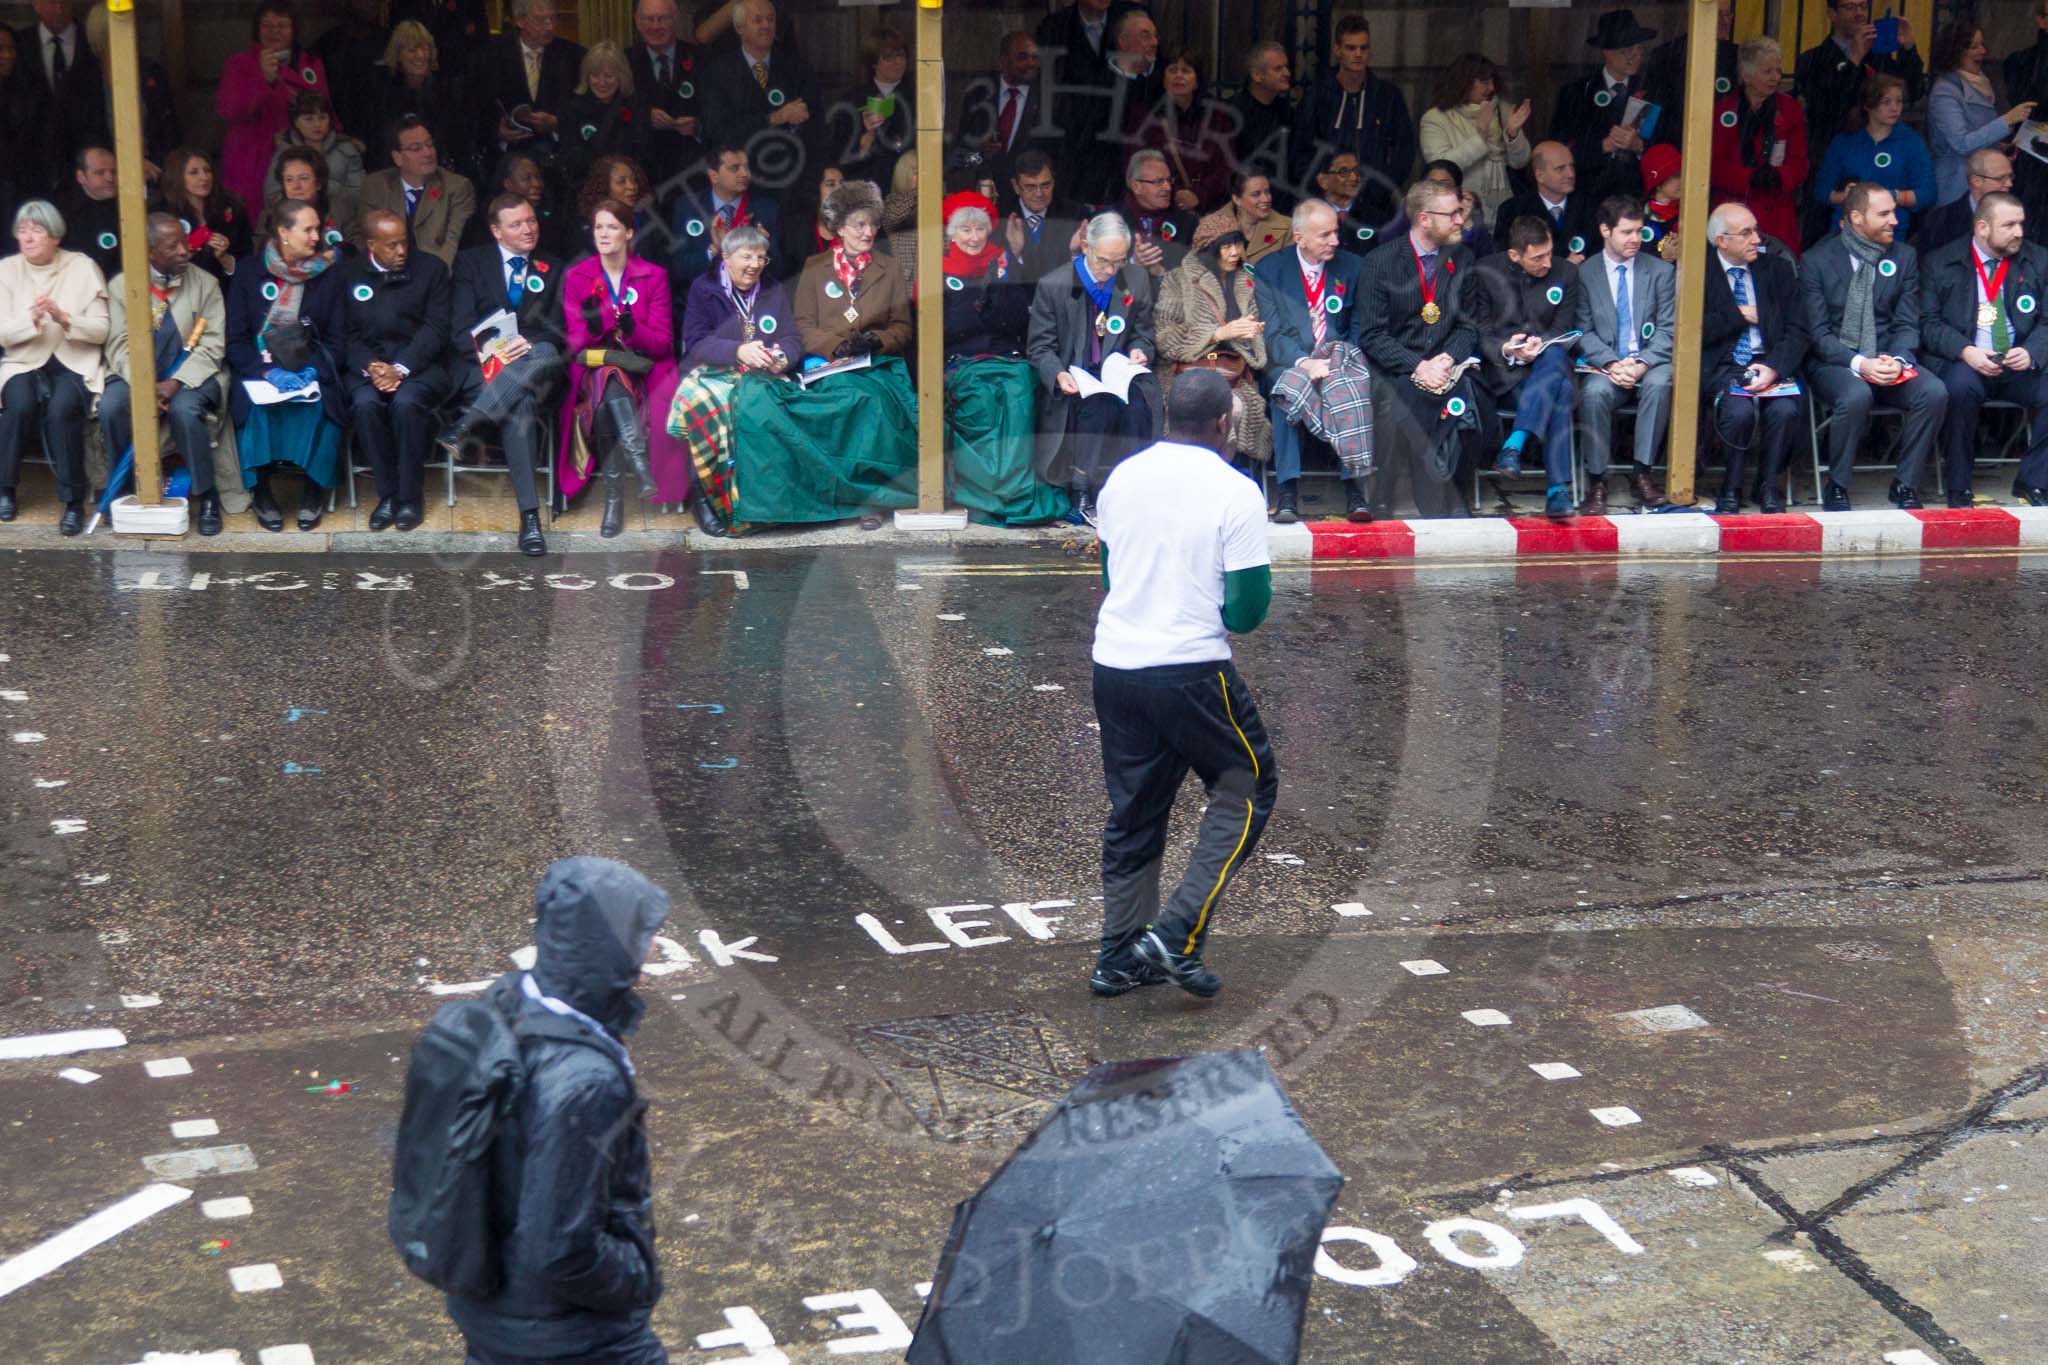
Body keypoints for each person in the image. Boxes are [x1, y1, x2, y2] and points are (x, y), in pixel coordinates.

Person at [1091, 367, 1276, 1002]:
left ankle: (1117, 957)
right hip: (1190, 669)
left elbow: (1114, 573)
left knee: (1137, 811)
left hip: (1115, 664)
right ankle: (1176, 932)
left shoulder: (1124, 477)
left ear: (1170, 417)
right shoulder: (1237, 491)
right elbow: (1246, 613)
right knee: (1248, 788)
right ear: (1226, 424)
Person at [440, 856, 670, 1365]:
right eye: (643, 932)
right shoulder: (586, 1082)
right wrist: (636, 1276)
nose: (655, 945)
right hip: (571, 1338)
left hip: (495, 1310)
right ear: (612, 947)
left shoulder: (505, 1005)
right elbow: (561, 1248)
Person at [741, 180, 916, 528]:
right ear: (838, 229)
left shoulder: (889, 267)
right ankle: (831, 496)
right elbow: (802, 324)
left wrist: (874, 342)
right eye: (859, 225)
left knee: (868, 401)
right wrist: (838, 347)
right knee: (836, 400)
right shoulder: (815, 265)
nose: (868, 232)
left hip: (874, 365)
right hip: (827, 363)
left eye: (873, 224)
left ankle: (870, 498)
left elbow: (903, 328)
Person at [1802, 183, 1945, 511]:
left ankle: (1905, 483)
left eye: (1894, 212)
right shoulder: (1816, 260)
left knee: (1934, 391)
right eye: (1884, 214)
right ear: (1856, 218)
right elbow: (1818, 335)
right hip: (1835, 362)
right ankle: (1837, 484)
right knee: (1856, 394)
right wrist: (1860, 364)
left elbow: (1908, 324)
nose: (1895, 220)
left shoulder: (1905, 256)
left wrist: (1897, 359)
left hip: (1887, 357)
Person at [444, 193, 569, 555]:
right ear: (497, 231)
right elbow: (458, 331)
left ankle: (464, 426)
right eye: (517, 224)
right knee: (521, 405)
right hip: (482, 369)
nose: (528, 229)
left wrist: (525, 344)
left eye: (531, 220)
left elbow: (559, 330)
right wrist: (499, 351)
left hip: (536, 363)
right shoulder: (471, 263)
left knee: (545, 350)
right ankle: (530, 519)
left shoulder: (553, 266)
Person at [1356, 177, 1480, 519]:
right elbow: (1372, 334)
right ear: (1424, 218)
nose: (1460, 219)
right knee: (1402, 400)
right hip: (1396, 365)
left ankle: (1455, 493)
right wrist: (1417, 365)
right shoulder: (1381, 261)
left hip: (1447, 364)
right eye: (1452, 213)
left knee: (1470, 405)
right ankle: (1383, 497)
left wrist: (1446, 359)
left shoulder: (1463, 259)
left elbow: (1470, 325)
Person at [940, 191, 1064, 527]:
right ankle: (984, 491)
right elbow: (947, 329)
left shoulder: (1005, 263)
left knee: (1020, 393)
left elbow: (1023, 321)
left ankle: (1016, 490)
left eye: (980, 229)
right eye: (965, 230)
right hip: (962, 363)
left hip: (1008, 360)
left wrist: (999, 289)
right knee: (981, 401)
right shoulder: (937, 270)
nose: (974, 237)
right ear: (951, 233)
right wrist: (982, 308)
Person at [560, 198, 683, 537]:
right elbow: (576, 343)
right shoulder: (577, 276)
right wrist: (601, 324)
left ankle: (615, 501)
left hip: (644, 367)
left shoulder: (654, 275)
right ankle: (638, 468)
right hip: (596, 369)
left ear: (629, 232)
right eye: (598, 226)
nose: (603, 233)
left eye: (612, 227)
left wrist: (632, 331)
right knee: (608, 378)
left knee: (607, 397)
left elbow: (662, 342)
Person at [101, 213, 231, 535]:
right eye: (173, 246)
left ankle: (207, 495)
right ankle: (123, 488)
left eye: (185, 242)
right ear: (150, 252)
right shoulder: (122, 287)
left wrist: (175, 383)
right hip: (136, 376)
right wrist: (145, 386)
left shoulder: (206, 284)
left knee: (185, 410)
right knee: (111, 406)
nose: (185, 251)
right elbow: (118, 344)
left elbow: (213, 344)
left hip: (191, 375)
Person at [223, 199, 347, 532]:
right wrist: (267, 372)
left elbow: (337, 340)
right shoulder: (250, 272)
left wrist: (312, 371)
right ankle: (261, 491)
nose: (316, 236)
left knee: (321, 403)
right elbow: (235, 341)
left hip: (311, 369)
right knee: (255, 408)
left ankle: (312, 489)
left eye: (317, 228)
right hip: (260, 370)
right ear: (283, 232)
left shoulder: (328, 275)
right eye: (308, 229)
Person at [1919, 192, 2048, 505]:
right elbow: (1927, 323)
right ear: (1982, 228)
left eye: (2021, 223)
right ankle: (1958, 487)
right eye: (2009, 225)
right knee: (1960, 389)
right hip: (1966, 360)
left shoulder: (2039, 260)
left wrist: (2031, 351)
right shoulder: (1940, 262)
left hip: (2017, 360)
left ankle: (2034, 481)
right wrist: (1965, 351)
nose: (2019, 232)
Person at [1027, 210, 1157, 520]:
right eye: (1104, 261)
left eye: (1120, 261)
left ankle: (1130, 489)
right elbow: (1040, 346)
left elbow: (1144, 335)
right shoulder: (1054, 284)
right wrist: (1057, 373)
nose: (1111, 270)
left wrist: (1140, 350)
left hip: (1118, 373)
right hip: (1075, 376)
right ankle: (1082, 488)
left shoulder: (1135, 280)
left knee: (1138, 407)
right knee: (1097, 407)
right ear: (1086, 247)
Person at [669, 222, 791, 534]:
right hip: (711, 371)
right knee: (708, 406)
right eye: (747, 257)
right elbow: (695, 342)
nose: (755, 265)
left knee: (775, 408)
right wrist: (738, 350)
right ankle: (704, 500)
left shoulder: (774, 289)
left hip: (761, 374)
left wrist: (783, 356)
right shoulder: (704, 287)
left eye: (762, 258)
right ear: (726, 257)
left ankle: (764, 503)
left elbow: (791, 337)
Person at [1253, 198, 1366, 520]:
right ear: (1299, 238)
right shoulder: (1269, 270)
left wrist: (1340, 360)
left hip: (1339, 360)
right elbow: (1271, 335)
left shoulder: (1352, 267)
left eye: (1336, 232)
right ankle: (1288, 490)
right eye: (1325, 235)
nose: (1335, 241)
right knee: (1286, 390)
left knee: (1351, 386)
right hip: (1291, 363)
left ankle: (1355, 489)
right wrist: (1306, 363)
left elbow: (1358, 326)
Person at [0, 199, 106, 533]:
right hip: (24, 359)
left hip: (73, 359)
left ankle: (73, 501)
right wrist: (28, 321)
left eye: (37, 230)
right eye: (22, 230)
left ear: (56, 236)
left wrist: (64, 317)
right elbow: (2, 333)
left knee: (62, 410)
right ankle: (5, 490)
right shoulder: (7, 270)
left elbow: (102, 330)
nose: (28, 237)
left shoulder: (82, 266)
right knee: (18, 405)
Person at [340, 208, 449, 533]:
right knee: (365, 404)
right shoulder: (347, 275)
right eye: (391, 246)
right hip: (367, 368)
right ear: (372, 245)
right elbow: (344, 334)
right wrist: (371, 366)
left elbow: (437, 328)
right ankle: (387, 495)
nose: (401, 251)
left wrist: (400, 368)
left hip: (420, 366)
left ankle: (410, 496)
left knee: (406, 404)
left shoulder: (431, 269)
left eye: (404, 243)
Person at [1699, 202, 1809, 514]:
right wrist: (1737, 316)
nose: (1757, 239)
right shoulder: (1700, 272)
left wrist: (1773, 367)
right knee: (1740, 412)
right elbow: (1692, 330)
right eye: (1746, 233)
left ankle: (1767, 485)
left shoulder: (1776, 269)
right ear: (1722, 240)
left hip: (1769, 361)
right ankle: (1731, 486)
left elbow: (1799, 329)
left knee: (1786, 410)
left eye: (1756, 230)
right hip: (1724, 365)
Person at [1471, 215, 1581, 518]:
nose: (1547, 262)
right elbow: (1479, 331)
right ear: (1514, 255)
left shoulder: (1566, 272)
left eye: (1549, 252)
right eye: (1538, 257)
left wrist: (1538, 345)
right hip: (1507, 376)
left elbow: (1563, 328)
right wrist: (1508, 348)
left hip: (1548, 363)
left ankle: (1514, 444)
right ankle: (1557, 491)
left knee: (1556, 355)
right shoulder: (1486, 271)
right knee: (1557, 391)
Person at [1573, 194, 1674, 514]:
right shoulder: (1585, 273)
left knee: (1661, 384)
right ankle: (1597, 480)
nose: (1635, 239)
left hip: (1650, 359)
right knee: (1594, 393)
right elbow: (1582, 331)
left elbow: (1669, 328)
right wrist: (1613, 363)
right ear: (1605, 231)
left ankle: (1642, 474)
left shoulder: (1660, 271)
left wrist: (1642, 364)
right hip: (1607, 364)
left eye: (1639, 232)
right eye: (1626, 232)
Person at [1157, 229, 1268, 472]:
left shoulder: (1245, 282)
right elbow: (1165, 338)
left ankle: (1213, 474)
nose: (1235, 252)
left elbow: (1258, 353)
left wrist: (1250, 333)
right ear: (1208, 248)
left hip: (1233, 377)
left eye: (1238, 244)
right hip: (1184, 376)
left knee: (1235, 408)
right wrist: (1218, 334)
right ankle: (1206, 476)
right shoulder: (1178, 280)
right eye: (1226, 246)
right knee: (1200, 409)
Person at [1289, 15, 1413, 232]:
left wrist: (1382, 187)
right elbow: (1300, 148)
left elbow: (1405, 147)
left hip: (1375, 205)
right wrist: (1320, 186)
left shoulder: (1387, 96)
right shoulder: (1318, 95)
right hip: (1324, 205)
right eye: (1350, 48)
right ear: (1337, 49)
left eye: (1363, 48)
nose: (1358, 54)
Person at [216, 3, 329, 211]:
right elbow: (229, 110)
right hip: (252, 158)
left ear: (294, 29)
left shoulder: (310, 63)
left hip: (298, 155)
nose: (275, 31)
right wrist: (264, 80)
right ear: (257, 30)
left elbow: (324, 109)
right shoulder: (239, 64)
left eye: (282, 25)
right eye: (267, 25)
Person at [1710, 37, 1808, 258]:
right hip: (1733, 208)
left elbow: (1800, 163)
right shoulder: (1723, 110)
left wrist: (1779, 177)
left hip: (1777, 211)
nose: (1775, 77)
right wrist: (1749, 178)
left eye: (1778, 70)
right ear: (1746, 75)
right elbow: (1713, 166)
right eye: (1767, 71)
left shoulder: (1790, 109)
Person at [1550, 9, 1658, 207]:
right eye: (1627, 51)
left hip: (1636, 195)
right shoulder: (1577, 92)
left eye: (1639, 49)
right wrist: (1603, 146)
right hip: (1587, 195)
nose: (1634, 57)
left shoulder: (1651, 92)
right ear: (1606, 52)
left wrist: (1639, 146)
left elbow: (1665, 144)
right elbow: (1559, 149)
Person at [1927, 20, 2038, 211]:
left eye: (1983, 44)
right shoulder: (1945, 91)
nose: (1982, 51)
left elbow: (1979, 135)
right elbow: (1961, 143)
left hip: (1981, 184)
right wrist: (2006, 120)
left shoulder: (1980, 82)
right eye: (1974, 46)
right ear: (1956, 52)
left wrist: (2002, 147)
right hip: (1956, 184)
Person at [698, 0, 819, 175]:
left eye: (770, 20)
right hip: (739, 174)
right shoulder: (717, 74)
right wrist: (774, 118)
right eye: (757, 20)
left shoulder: (798, 69)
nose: (766, 26)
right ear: (739, 28)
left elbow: (815, 126)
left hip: (789, 173)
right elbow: (718, 131)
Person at [466, 0, 585, 172]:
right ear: (520, 21)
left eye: (553, 18)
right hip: (505, 158)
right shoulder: (489, 56)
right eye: (541, 20)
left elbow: (582, 107)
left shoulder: (574, 56)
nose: (550, 26)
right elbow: (472, 106)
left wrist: (557, 123)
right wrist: (495, 131)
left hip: (558, 158)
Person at [1813, 75, 1935, 239]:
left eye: (1898, 101)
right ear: (1868, 105)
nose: (1895, 108)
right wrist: (1846, 197)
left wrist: (1893, 197)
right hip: (1845, 232)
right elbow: (1821, 191)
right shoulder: (1845, 141)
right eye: (1887, 102)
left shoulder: (1911, 142)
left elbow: (1928, 193)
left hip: (1891, 234)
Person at [1419, 52, 1531, 227]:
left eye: (1493, 81)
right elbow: (1439, 167)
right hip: (1462, 215)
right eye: (1484, 82)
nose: (1492, 88)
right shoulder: (1435, 118)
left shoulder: (1502, 110)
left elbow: (1520, 162)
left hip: (1505, 214)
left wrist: (1513, 134)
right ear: (1464, 82)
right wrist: (1480, 138)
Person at [1795, 0, 1925, 151]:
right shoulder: (1812, 59)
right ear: (1832, 14)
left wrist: (1908, 48)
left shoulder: (1877, 55)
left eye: (1863, 6)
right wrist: (1853, 59)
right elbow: (1827, 109)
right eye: (1850, 7)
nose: (1859, 13)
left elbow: (1914, 91)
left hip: (1879, 151)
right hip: (1834, 154)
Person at [357, 115, 476, 270]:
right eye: (416, 148)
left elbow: (452, 244)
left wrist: (430, 281)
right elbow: (368, 239)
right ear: (397, 157)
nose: (428, 153)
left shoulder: (457, 187)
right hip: (386, 275)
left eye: (430, 144)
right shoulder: (375, 186)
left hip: (437, 275)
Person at [80, 3, 180, 179]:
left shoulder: (152, 72)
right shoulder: (83, 79)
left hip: (154, 174)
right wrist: (121, 164)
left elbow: (170, 129)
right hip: (103, 179)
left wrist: (157, 165)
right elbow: (84, 134)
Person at [1128, 47, 1233, 216]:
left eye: (1186, 71)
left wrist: (1199, 194)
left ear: (1197, 81)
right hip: (1160, 208)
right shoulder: (1146, 115)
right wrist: (1172, 192)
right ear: (1163, 79)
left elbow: (1227, 166)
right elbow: (1136, 163)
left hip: (1210, 209)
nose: (1179, 76)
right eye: (1172, 70)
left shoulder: (1218, 115)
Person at [16, 0, 105, 193]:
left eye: (64, 2)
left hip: (87, 158)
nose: (59, 9)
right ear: (36, 5)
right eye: (51, 2)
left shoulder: (92, 41)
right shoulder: (20, 43)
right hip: (32, 163)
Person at [669, 143, 777, 287]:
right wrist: (713, 251)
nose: (745, 174)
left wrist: (763, 251)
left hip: (752, 302)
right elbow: (679, 267)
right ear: (714, 176)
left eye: (746, 167)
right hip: (704, 300)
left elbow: (781, 270)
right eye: (734, 168)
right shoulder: (688, 207)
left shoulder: (766, 209)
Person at [262, 91, 364, 242]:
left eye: (322, 118)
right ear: (296, 122)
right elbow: (272, 195)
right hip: (293, 221)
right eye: (309, 119)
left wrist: (320, 191)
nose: (317, 124)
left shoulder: (346, 149)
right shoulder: (283, 153)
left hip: (338, 217)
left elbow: (359, 192)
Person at [624, 0, 702, 191]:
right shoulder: (625, 61)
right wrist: (645, 115)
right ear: (637, 22)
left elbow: (717, 109)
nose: (655, 26)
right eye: (649, 19)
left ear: (676, 20)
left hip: (691, 171)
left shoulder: (702, 58)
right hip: (642, 174)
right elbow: (616, 111)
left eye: (663, 19)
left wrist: (699, 125)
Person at [372, 21, 463, 180]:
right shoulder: (384, 91)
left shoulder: (443, 89)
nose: (421, 55)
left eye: (425, 48)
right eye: (412, 50)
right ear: (398, 55)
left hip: (439, 171)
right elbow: (383, 141)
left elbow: (453, 138)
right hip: (396, 172)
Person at [1644, 0, 1736, 152]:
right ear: (1696, 16)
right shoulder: (1666, 55)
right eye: (1718, 15)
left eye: (1728, 15)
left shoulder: (1737, 56)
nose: (1725, 21)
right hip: (1678, 151)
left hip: (1724, 154)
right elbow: (1655, 112)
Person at [159, 147, 254, 288]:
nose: (204, 177)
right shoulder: (164, 214)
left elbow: (248, 259)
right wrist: (182, 258)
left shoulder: (232, 206)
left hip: (225, 292)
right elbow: (154, 266)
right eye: (194, 172)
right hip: (180, 293)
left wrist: (225, 258)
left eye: (207, 170)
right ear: (177, 176)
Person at [559, 41, 647, 193]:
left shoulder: (636, 104)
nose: (602, 82)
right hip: (586, 188)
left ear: (621, 76)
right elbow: (569, 159)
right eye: (595, 75)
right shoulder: (572, 108)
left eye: (609, 76)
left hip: (628, 187)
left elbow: (642, 152)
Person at [968, 32, 1052, 189]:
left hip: (1030, 198)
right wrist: (980, 154)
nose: (1031, 63)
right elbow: (964, 148)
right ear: (1002, 62)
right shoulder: (980, 93)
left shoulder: (1049, 98)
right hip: (987, 193)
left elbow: (1056, 155)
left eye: (1035, 57)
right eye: (1022, 57)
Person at [1494, 140, 1598, 265]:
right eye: (1560, 169)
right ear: (1540, 175)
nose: (1571, 174)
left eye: (1571, 166)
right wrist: (1562, 269)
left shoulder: (1591, 207)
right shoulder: (1512, 211)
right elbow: (1506, 263)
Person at [839, 26, 914, 188]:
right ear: (873, 63)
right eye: (888, 57)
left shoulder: (917, 96)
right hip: (866, 182)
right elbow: (839, 153)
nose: (898, 62)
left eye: (901, 55)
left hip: (905, 182)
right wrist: (864, 144)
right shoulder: (853, 100)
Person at [1003, 149, 1089, 283]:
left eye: (1045, 185)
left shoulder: (1076, 215)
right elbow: (994, 281)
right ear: (1016, 186)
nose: (1039, 194)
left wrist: (1075, 254)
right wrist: (1014, 253)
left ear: (1054, 181)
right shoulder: (1001, 217)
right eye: (1030, 187)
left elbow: (1091, 275)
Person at [309, 0, 386, 149]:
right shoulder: (327, 45)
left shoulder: (386, 40)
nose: (371, 4)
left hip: (380, 138)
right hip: (338, 138)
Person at [1118, 148, 1195, 286]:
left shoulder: (1187, 224)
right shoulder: (1111, 220)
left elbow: (1197, 278)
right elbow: (1095, 276)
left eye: (1168, 180)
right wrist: (1133, 263)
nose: (1168, 187)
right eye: (1159, 181)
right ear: (1136, 186)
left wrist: (1161, 273)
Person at [1229, 41, 1295, 200]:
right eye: (1278, 69)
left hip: (1280, 201)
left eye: (1286, 67)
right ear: (1257, 75)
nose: (1287, 73)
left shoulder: (1287, 113)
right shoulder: (1232, 112)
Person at [1918, 149, 2013, 253]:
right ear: (1976, 181)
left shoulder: (2020, 216)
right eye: (2001, 178)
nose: (2009, 184)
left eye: (2010, 176)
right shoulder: (1940, 222)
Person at [1193, 172, 1291, 266]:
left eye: (1267, 192)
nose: (1266, 199)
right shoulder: (1210, 227)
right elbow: (1196, 270)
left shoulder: (1289, 229)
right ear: (1237, 199)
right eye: (1256, 194)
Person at [56, 144, 121, 281]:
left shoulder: (131, 207)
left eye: (114, 172)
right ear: (81, 177)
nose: (110, 178)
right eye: (100, 173)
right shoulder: (64, 212)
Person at [777, 162, 841, 281]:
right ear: (815, 189)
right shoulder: (797, 229)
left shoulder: (855, 227)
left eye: (842, 184)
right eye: (831, 184)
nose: (839, 189)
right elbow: (785, 273)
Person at [1314, 150, 1382, 249]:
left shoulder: (1376, 217)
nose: (1354, 177)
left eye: (1357, 171)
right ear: (1323, 180)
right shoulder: (1308, 217)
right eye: (1344, 172)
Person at [1639, 142, 1682, 262]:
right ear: (1657, 184)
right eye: (1675, 175)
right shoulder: (1638, 217)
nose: (1682, 179)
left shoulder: (1690, 211)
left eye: (1683, 173)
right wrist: (1662, 257)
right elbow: (1638, 263)